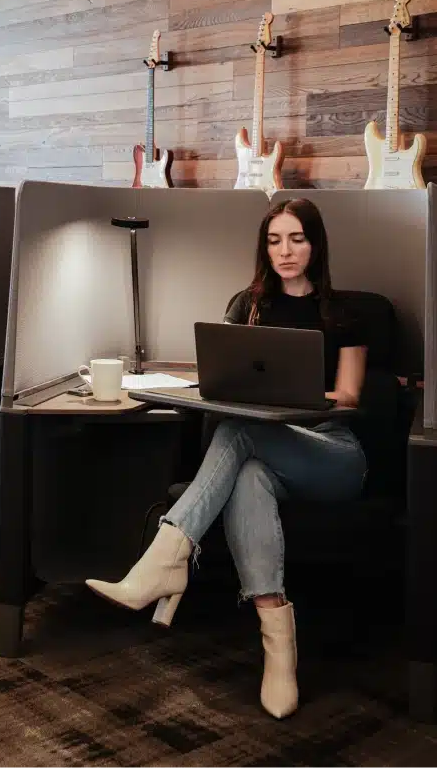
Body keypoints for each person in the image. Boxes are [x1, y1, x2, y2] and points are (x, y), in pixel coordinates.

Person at [85, 199, 369, 720]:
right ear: (264, 247)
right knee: (249, 477)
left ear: (316, 243)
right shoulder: (247, 306)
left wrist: (297, 393)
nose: (286, 251)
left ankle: (165, 560)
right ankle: (278, 652)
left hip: (331, 452)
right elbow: (220, 377)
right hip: (266, 453)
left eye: (297, 239)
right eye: (275, 240)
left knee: (242, 430)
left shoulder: (343, 313)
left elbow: (349, 396)